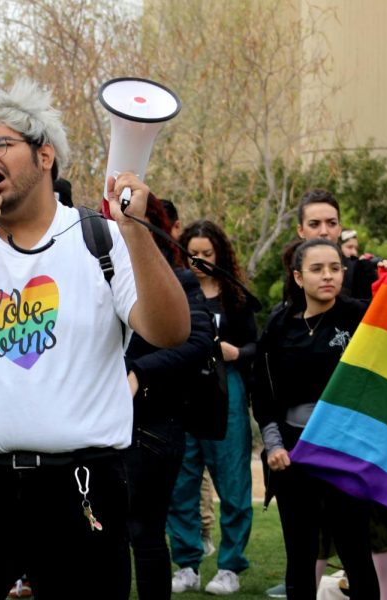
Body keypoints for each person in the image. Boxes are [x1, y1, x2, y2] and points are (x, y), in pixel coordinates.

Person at [0, 79, 190, 599]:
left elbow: (169, 331)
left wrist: (137, 232)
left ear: (45, 154)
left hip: (83, 484)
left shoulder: (102, 237)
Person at [253, 238, 387, 599]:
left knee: (355, 551)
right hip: (293, 457)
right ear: (299, 277)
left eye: (335, 268)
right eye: (317, 269)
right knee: (300, 556)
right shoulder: (279, 325)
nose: (328, 276)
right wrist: (273, 445)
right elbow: (263, 393)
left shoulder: (360, 316)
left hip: (347, 456)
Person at [290, 189, 387, 600]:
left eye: (332, 223)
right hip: (313, 433)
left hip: (362, 429)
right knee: (316, 524)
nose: (325, 230)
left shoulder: (367, 274)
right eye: (315, 224)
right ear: (301, 230)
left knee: (374, 518)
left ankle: (384, 590)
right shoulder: (293, 295)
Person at [123, 194, 213, 599]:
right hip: (96, 422)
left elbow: (198, 342)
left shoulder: (181, 280)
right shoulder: (101, 272)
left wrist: (138, 372)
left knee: (145, 530)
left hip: (154, 422)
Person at [167, 220, 256, 596]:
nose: (200, 260)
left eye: (207, 253)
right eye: (193, 254)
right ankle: (187, 564)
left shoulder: (235, 296)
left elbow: (257, 347)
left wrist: (237, 353)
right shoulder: (173, 291)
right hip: (182, 392)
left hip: (226, 391)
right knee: (181, 483)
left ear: (219, 254)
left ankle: (230, 567)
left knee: (233, 482)